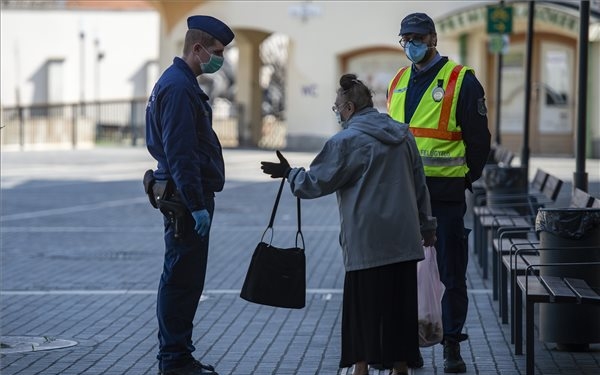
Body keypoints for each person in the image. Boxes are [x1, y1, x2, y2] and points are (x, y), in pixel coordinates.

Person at [261, 74, 437, 375]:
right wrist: (427, 226)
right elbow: (420, 184)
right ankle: (400, 366)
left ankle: (361, 366)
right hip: (404, 239)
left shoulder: (346, 141)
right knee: (400, 304)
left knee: (363, 307)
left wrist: (290, 174)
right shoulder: (403, 135)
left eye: (337, 108)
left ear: (350, 108)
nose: (337, 113)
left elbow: (314, 183)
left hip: (366, 242)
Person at [387, 12, 491, 373]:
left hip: (443, 198)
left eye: (417, 37)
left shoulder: (462, 80)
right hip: (403, 198)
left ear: (433, 38)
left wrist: (462, 181)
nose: (411, 45)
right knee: (402, 275)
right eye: (406, 39)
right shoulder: (398, 81)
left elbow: (479, 143)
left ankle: (452, 345)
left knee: (450, 273)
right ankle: (407, 347)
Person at [145, 15, 234, 375]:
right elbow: (181, 153)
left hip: (181, 196)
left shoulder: (176, 82)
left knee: (183, 278)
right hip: (185, 201)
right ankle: (175, 359)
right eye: (216, 51)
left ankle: (178, 354)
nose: (220, 59)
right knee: (182, 281)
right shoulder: (179, 88)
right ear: (196, 49)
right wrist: (196, 205)